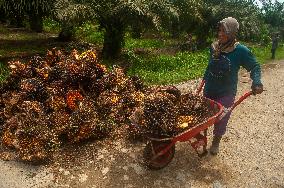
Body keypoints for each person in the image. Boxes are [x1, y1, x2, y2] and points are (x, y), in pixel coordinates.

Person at [202, 17, 264, 155]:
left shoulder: (240, 50)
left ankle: (216, 142)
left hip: (226, 93)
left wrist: (257, 81)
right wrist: (203, 80)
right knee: (204, 116)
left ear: (232, 33)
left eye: (225, 31)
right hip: (209, 89)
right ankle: (203, 138)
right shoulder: (214, 47)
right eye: (219, 30)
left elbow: (255, 66)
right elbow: (210, 66)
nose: (220, 34)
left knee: (222, 118)